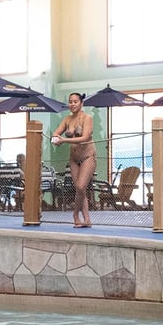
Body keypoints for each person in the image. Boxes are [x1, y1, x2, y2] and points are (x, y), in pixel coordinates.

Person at [51, 92, 95, 228]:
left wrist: (64, 139)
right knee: (79, 189)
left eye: (75, 101)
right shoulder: (67, 119)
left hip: (88, 155)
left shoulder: (87, 118)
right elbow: (56, 133)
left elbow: (85, 137)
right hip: (74, 158)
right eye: (70, 101)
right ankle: (86, 219)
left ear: (81, 103)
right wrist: (56, 138)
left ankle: (76, 214)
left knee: (82, 186)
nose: (73, 104)